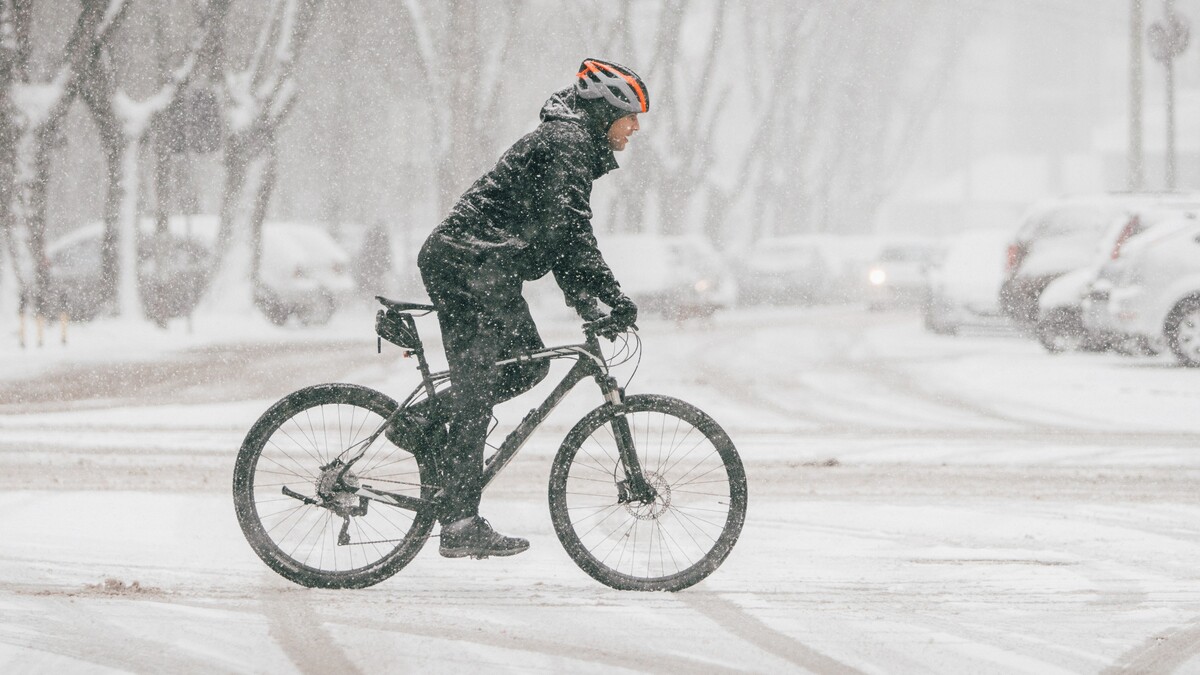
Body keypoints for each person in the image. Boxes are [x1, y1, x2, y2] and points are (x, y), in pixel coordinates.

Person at [393, 58, 648, 559]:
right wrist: (609, 296)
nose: (636, 127)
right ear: (606, 111)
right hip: (470, 264)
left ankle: (423, 424)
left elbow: (559, 236)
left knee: (524, 369)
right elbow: (570, 231)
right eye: (632, 115)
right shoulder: (566, 145)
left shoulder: (570, 144)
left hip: (483, 265)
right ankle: (460, 523)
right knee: (480, 386)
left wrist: (586, 298)